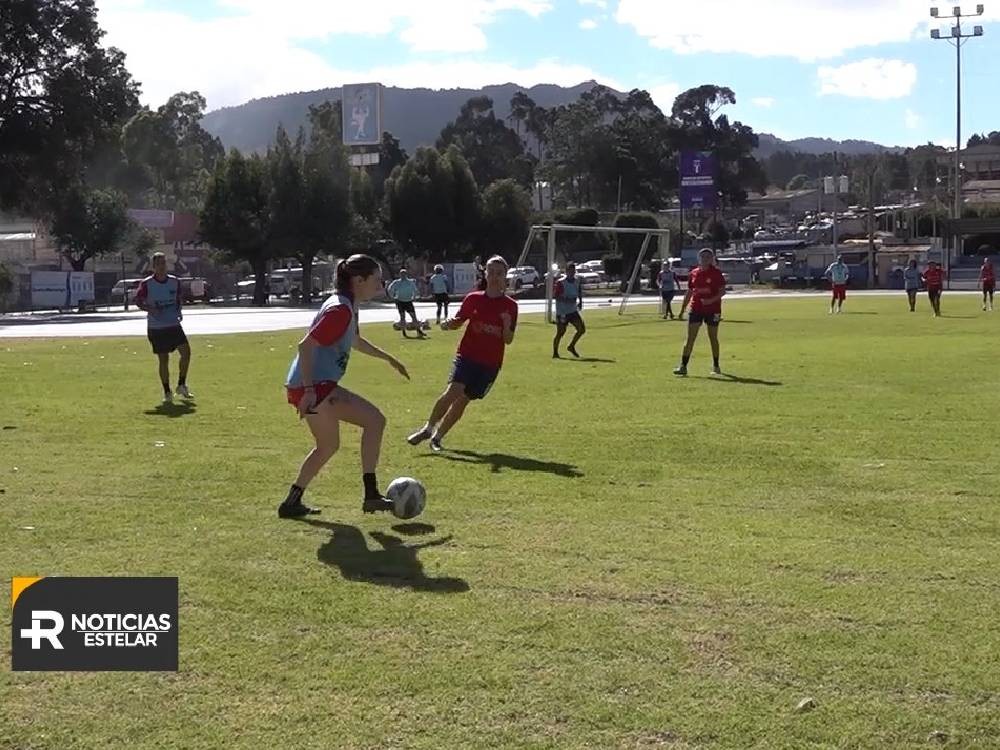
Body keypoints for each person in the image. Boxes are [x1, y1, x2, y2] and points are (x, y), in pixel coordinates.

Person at [280, 254, 410, 519]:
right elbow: (305, 346)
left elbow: (356, 341)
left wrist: (389, 359)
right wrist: (308, 391)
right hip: (315, 388)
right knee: (375, 421)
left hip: (311, 387)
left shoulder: (348, 305)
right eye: (376, 279)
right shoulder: (340, 310)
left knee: (328, 446)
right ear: (358, 280)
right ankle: (371, 495)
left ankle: (291, 502)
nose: (380, 285)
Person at [407, 255, 517, 452]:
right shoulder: (473, 299)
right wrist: (449, 324)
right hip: (467, 356)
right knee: (453, 391)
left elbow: (508, 339)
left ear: (505, 275)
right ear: (485, 273)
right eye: (491, 272)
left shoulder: (511, 306)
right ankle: (427, 428)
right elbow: (459, 321)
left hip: (490, 363)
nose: (494, 277)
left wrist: (507, 324)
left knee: (463, 400)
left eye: (499, 273)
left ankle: (437, 438)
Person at [134, 252, 192, 403]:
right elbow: (138, 301)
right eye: (158, 264)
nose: (161, 266)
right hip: (157, 327)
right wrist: (150, 309)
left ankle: (181, 384)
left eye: (163, 263)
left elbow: (178, 298)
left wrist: (179, 311)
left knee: (186, 352)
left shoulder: (174, 281)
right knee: (163, 359)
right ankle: (167, 391)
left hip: (173, 324)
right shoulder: (147, 283)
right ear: (153, 267)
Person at [674, 248, 726, 377]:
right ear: (699, 258)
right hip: (696, 308)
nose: (705, 259)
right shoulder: (693, 273)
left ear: (712, 259)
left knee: (713, 337)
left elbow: (722, 291)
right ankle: (683, 366)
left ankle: (716, 365)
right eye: (703, 257)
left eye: (708, 257)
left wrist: (710, 301)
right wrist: (683, 308)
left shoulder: (716, 273)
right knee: (690, 338)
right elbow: (690, 291)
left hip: (713, 310)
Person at [552, 261, 585, 358]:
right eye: (570, 271)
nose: (572, 273)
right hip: (562, 312)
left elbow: (579, 291)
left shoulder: (577, 281)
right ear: (566, 271)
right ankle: (555, 352)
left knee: (581, 329)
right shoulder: (561, 282)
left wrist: (580, 302)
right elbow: (556, 296)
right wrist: (567, 300)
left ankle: (571, 346)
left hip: (573, 311)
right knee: (560, 332)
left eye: (573, 271)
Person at [387, 268, 426, 339]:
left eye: (404, 274)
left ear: (406, 275)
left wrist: (414, 297)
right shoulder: (397, 282)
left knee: (414, 317)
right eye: (401, 274)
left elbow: (415, 290)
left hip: (408, 301)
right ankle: (404, 332)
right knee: (402, 317)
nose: (403, 276)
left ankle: (419, 331)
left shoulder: (410, 282)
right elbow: (390, 289)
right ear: (400, 275)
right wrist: (392, 296)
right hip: (400, 301)